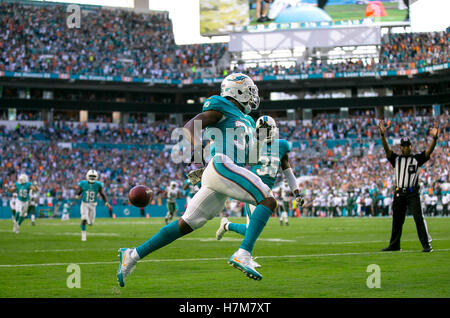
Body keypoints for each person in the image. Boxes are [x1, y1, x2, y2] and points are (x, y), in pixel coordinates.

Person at [117, 73, 277, 286]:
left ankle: (133, 255)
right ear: (236, 91)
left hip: (225, 172)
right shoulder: (221, 105)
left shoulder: (247, 120)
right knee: (267, 199)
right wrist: (199, 153)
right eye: (249, 91)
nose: (252, 96)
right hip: (220, 165)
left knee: (187, 223)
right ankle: (243, 253)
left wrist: (261, 140)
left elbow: (249, 158)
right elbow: (191, 126)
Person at [215, 116, 304, 253]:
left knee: (251, 229)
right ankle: (245, 254)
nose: (265, 133)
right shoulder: (252, 144)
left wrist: (296, 192)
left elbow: (287, 171)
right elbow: (236, 163)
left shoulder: (282, 145)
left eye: (267, 130)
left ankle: (227, 225)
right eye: (262, 130)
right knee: (252, 230)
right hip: (252, 189)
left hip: (267, 192)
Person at [378, 120, 439, 252]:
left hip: (412, 193)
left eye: (407, 146)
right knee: (397, 220)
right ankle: (394, 245)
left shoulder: (416, 159)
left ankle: (426, 245)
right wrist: (382, 136)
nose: (405, 148)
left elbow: (429, 152)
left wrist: (434, 138)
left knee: (418, 218)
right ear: (400, 147)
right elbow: (387, 150)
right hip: (399, 192)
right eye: (403, 146)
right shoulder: (396, 159)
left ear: (411, 147)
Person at [76, 169, 111, 241]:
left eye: (93, 176)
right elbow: (80, 190)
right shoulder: (83, 183)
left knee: (91, 223)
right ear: (87, 176)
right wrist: (77, 195)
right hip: (85, 203)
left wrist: (106, 202)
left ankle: (87, 222)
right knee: (84, 219)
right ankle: (83, 236)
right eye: (90, 176)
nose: (92, 178)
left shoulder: (98, 184)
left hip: (93, 205)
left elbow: (102, 194)